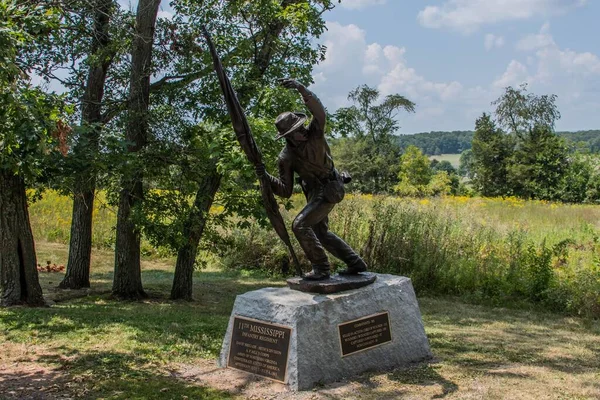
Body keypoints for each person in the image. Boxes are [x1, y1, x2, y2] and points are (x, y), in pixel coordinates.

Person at [255, 78, 368, 281]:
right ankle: (355, 262)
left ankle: (321, 268)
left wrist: (302, 89)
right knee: (321, 233)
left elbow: (320, 112)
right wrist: (265, 177)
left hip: (331, 188)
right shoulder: (286, 158)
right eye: (296, 131)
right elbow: (285, 190)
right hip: (314, 193)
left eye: (301, 127)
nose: (301, 131)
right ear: (288, 136)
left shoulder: (315, 134)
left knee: (300, 225)